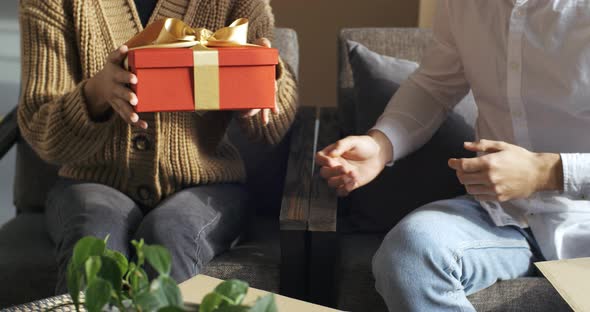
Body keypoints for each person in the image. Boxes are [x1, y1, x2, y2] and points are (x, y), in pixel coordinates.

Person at [317, 1, 590, 311]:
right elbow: (434, 87)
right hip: (499, 216)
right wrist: (382, 145)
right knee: (410, 255)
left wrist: (547, 173)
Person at [18, 0, 297, 293]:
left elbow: (272, 130)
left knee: (172, 232)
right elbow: (41, 130)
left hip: (206, 185)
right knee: (94, 238)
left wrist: (267, 83)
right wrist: (97, 93)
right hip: (91, 182)